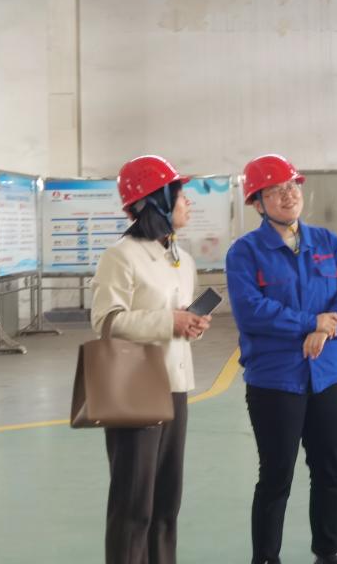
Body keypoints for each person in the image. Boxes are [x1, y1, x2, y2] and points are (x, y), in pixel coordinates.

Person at [226, 154, 337, 564]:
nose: (288, 196)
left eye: (292, 187)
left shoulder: (327, 243)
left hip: (326, 376)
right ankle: (265, 557)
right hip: (275, 381)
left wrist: (326, 327)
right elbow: (251, 310)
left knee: (329, 472)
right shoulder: (245, 252)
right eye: (275, 191)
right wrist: (309, 322)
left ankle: (328, 550)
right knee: (276, 477)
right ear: (257, 202)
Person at [91, 154, 211, 564]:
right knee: (133, 506)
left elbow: (174, 318)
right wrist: (168, 321)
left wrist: (189, 324)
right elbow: (107, 322)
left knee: (166, 504)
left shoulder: (181, 258)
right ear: (156, 201)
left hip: (176, 385)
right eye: (180, 194)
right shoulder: (120, 256)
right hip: (135, 387)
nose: (188, 202)